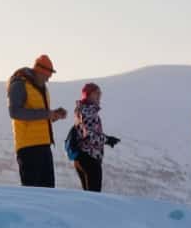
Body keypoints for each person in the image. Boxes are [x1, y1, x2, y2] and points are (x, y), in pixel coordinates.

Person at [7, 55, 67, 188]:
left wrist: (54, 115)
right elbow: (15, 112)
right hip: (28, 148)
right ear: (39, 71)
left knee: (48, 192)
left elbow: (39, 116)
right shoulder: (19, 84)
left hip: (44, 145)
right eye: (47, 75)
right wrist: (47, 114)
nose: (48, 79)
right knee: (32, 194)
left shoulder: (42, 87)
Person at [68, 82, 119, 193]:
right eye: (97, 93)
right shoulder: (89, 111)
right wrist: (107, 140)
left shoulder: (80, 110)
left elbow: (87, 132)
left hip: (80, 158)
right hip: (90, 158)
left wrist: (106, 138)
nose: (100, 95)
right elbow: (90, 135)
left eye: (100, 93)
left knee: (89, 197)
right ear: (89, 95)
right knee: (94, 198)